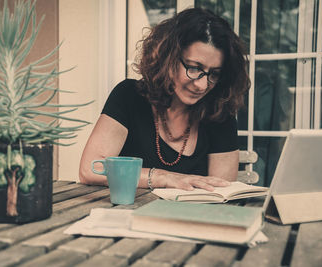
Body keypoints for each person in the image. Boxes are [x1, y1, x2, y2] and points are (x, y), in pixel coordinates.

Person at [79, 7, 250, 191]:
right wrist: (163, 177)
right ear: (168, 58)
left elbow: (220, 192)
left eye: (214, 74)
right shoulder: (129, 96)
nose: (202, 85)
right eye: (194, 68)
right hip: (125, 215)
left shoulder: (219, 113)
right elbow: (92, 169)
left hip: (189, 218)